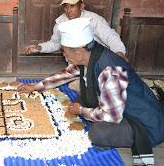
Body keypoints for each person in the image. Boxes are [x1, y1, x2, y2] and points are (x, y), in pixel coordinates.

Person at [18, 18, 164, 165]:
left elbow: (111, 115)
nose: (64, 54)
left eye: (65, 51)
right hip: (120, 108)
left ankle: (113, 134)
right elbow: (65, 74)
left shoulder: (111, 70)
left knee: (98, 133)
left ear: (79, 51)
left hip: (144, 124)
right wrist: (36, 87)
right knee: (83, 96)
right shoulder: (90, 57)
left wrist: (82, 111)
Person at [25, 0, 127, 61]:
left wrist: (119, 52)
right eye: (66, 7)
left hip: (95, 61)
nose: (68, 10)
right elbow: (56, 43)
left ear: (81, 6)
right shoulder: (60, 23)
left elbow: (109, 36)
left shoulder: (94, 19)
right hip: (75, 64)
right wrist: (39, 48)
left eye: (72, 6)